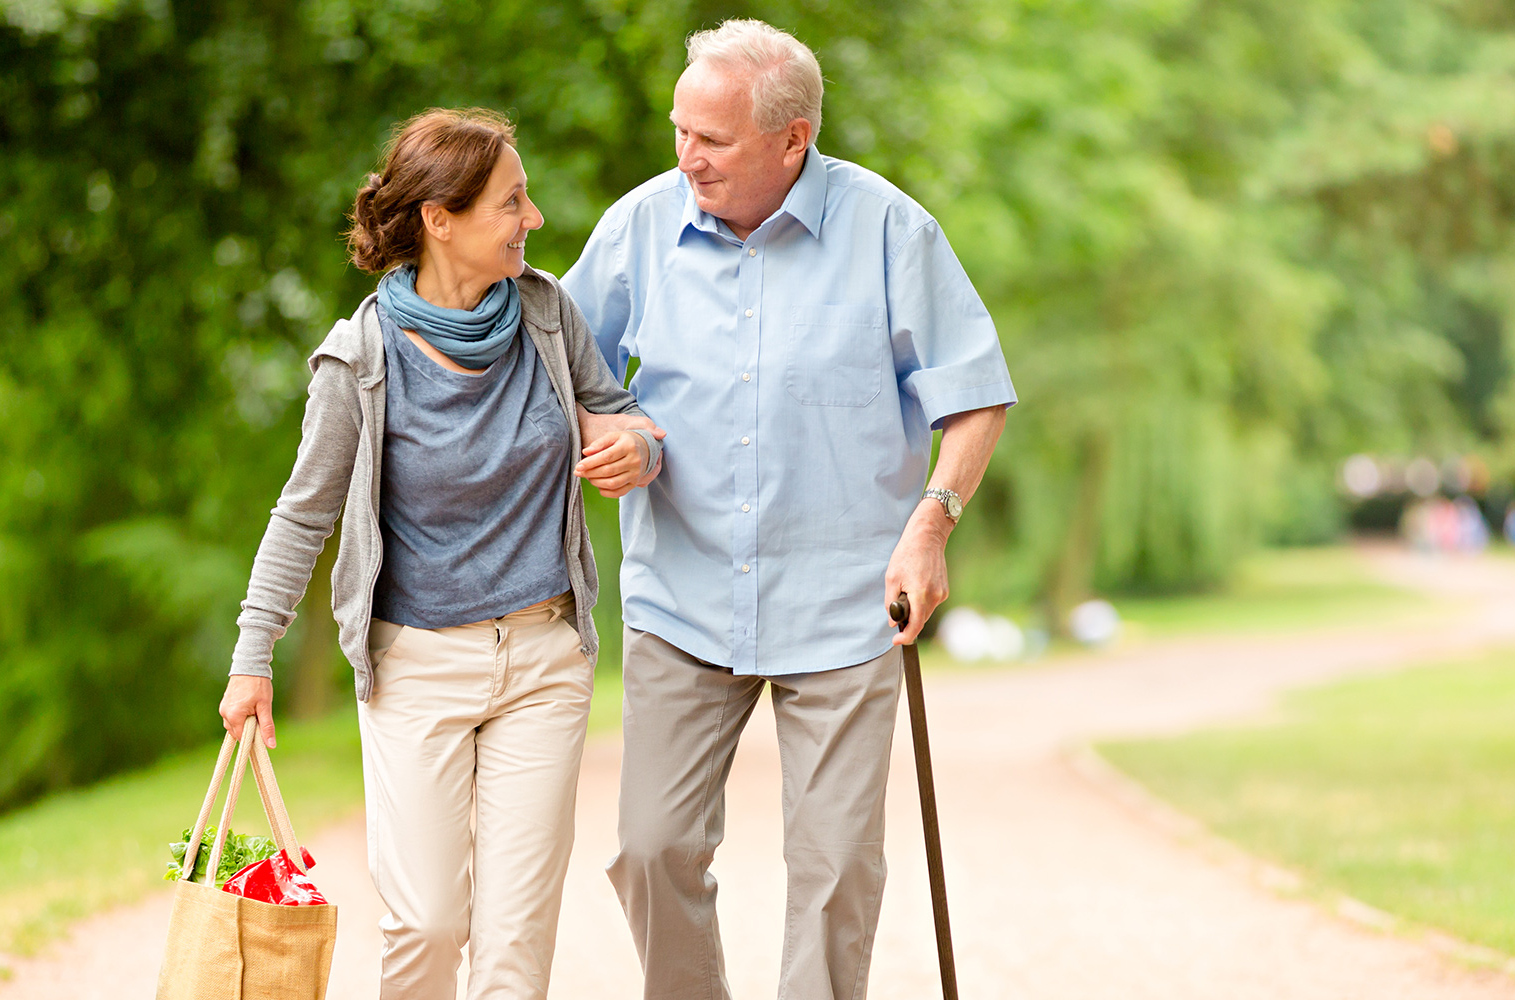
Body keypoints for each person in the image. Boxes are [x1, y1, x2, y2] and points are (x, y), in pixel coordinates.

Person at [561, 20, 1014, 1000]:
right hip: (682, 596)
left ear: (792, 139)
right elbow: (562, 370)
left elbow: (976, 396)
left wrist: (931, 524)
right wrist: (620, 428)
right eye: (680, 130)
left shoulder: (890, 231)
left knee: (837, 869)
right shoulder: (640, 226)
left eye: (712, 140)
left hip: (846, 602)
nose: (687, 156)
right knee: (651, 849)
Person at [217, 107, 661, 1000]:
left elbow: (619, 413)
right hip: (416, 667)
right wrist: (251, 656)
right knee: (425, 924)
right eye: (512, 201)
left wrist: (638, 450)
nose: (534, 219)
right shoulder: (360, 359)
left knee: (515, 938)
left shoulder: (546, 315)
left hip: (542, 659)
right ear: (439, 219)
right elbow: (303, 517)